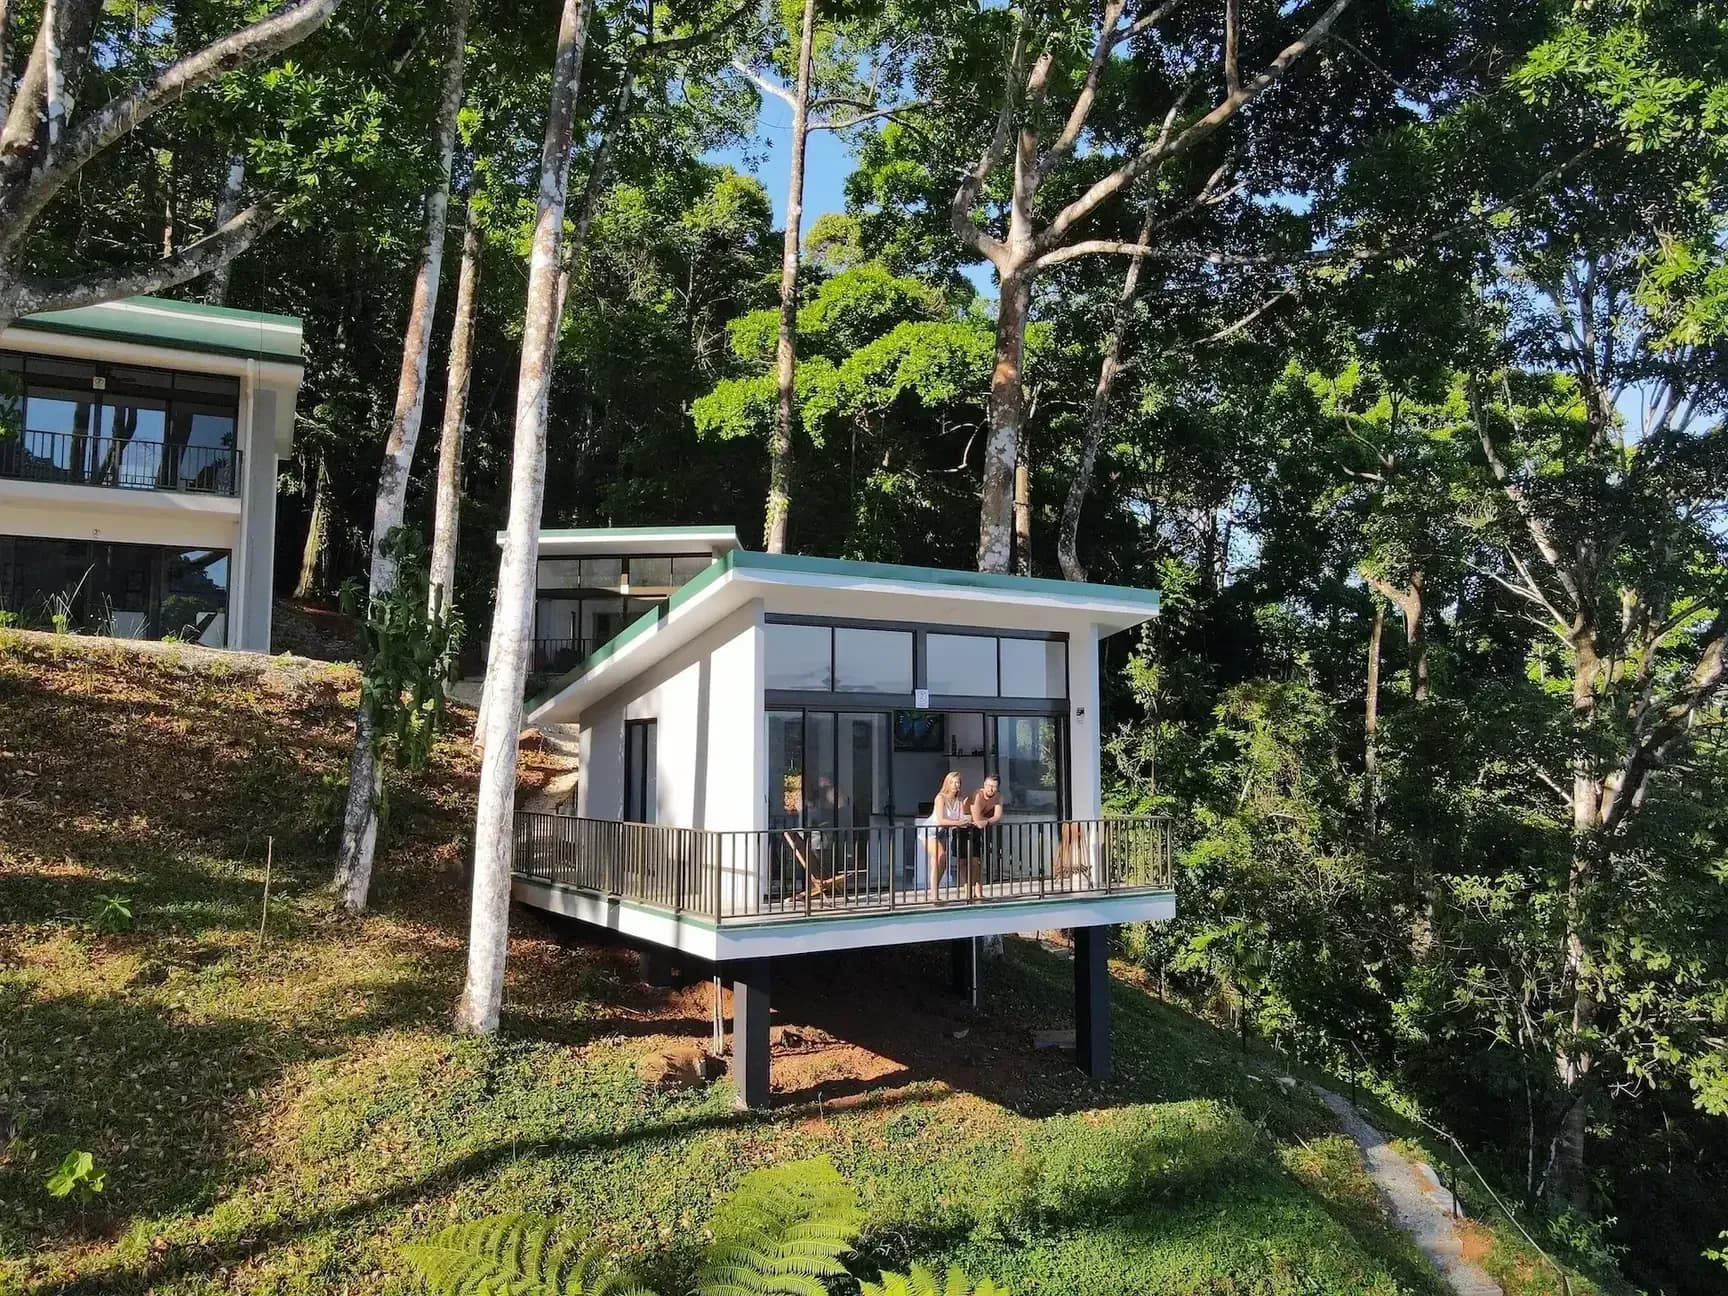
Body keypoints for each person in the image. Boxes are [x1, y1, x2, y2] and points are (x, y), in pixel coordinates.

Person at [924, 771, 970, 903]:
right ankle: (933, 894)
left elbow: (961, 817)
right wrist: (958, 823)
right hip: (931, 830)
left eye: (958, 782)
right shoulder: (940, 797)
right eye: (953, 782)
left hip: (943, 831)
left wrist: (967, 819)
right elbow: (940, 819)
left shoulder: (959, 799)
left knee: (941, 863)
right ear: (947, 783)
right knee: (940, 856)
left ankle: (934, 890)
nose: (956, 785)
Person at [963, 773, 1005, 895]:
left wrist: (986, 821)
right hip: (963, 826)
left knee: (977, 861)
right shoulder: (977, 795)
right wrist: (986, 820)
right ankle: (967, 892)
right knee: (963, 862)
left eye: (994, 786)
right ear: (984, 785)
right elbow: (976, 819)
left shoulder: (998, 797)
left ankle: (978, 892)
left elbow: (997, 817)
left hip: (977, 828)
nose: (991, 789)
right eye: (989, 785)